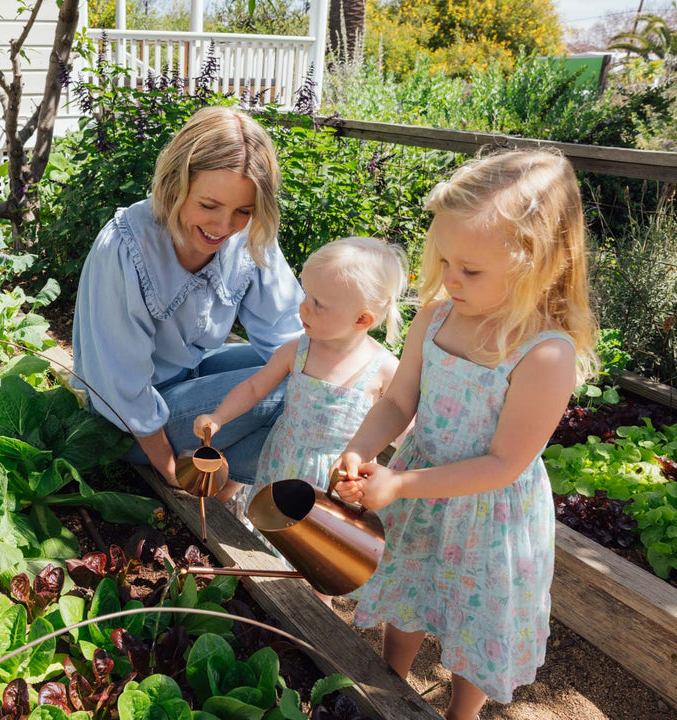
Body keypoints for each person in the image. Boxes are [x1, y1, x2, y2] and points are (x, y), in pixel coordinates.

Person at [333, 149, 598, 720]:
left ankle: (462, 712)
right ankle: (390, 684)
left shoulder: (544, 353)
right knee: (407, 594)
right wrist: (361, 448)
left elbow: (503, 462)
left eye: (470, 270)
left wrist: (401, 485)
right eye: (445, 259)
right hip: (419, 489)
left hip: (488, 515)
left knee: (474, 621)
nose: (450, 278)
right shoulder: (435, 318)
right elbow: (400, 400)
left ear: (539, 264)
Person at [72, 106, 305, 497]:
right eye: (209, 206)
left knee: (311, 368)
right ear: (174, 185)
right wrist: (172, 471)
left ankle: (226, 482)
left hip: (191, 382)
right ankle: (222, 480)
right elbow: (121, 386)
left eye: (242, 211)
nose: (223, 227)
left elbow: (292, 335)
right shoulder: (126, 246)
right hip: (131, 422)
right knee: (292, 394)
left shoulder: (250, 235)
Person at [191, 236, 406, 517]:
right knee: (269, 523)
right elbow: (255, 387)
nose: (303, 308)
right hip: (281, 463)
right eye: (306, 295)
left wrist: (390, 480)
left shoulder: (384, 368)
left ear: (361, 320)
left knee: (314, 544)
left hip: (336, 482)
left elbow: (405, 431)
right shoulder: (299, 350)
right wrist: (219, 417)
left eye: (318, 304)